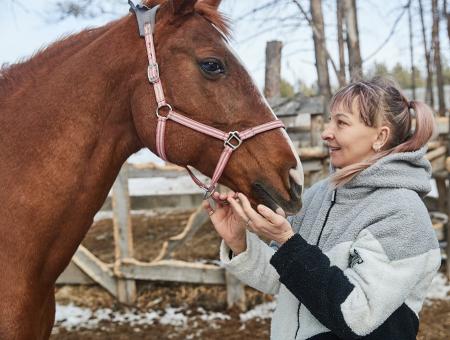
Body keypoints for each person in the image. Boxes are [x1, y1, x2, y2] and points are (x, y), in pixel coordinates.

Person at [202, 77, 442, 340]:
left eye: (341, 122)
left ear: (380, 137)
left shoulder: (402, 213)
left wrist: (287, 240)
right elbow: (281, 277)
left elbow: (356, 315)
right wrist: (240, 243)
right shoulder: (320, 194)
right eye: (329, 120)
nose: (327, 132)